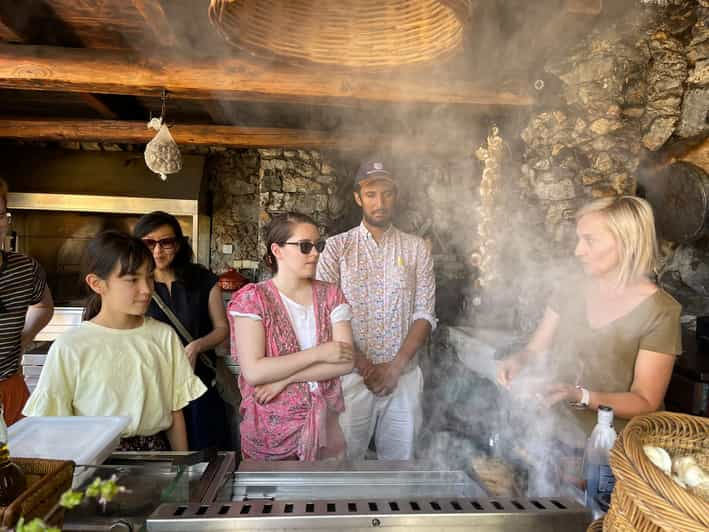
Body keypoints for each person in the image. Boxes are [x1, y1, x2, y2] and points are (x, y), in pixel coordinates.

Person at [497, 195, 681, 439]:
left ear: (627, 243)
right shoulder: (570, 288)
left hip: (617, 447)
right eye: (578, 239)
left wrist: (582, 396)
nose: (578, 251)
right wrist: (519, 361)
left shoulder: (661, 311)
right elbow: (536, 349)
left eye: (590, 241)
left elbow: (645, 399)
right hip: (558, 435)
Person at [23, 231, 206, 451]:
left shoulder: (163, 336)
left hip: (155, 458)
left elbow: (175, 411)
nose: (146, 289)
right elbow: (53, 427)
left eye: (149, 276)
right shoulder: (71, 346)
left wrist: (181, 467)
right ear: (97, 283)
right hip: (90, 458)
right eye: (132, 280)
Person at [316, 160, 437, 460]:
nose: (379, 202)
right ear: (358, 197)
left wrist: (395, 367)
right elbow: (324, 316)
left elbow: (424, 313)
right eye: (371, 194)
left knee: (400, 464)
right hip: (351, 376)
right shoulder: (336, 248)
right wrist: (366, 367)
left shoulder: (416, 249)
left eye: (386, 193)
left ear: (396, 196)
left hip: (404, 376)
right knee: (343, 463)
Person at [228, 212, 354, 461]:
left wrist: (285, 379)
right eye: (305, 246)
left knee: (324, 500)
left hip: (326, 431)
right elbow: (254, 371)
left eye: (319, 245)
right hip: (270, 437)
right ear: (278, 250)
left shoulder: (332, 295)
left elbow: (345, 362)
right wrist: (320, 353)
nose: (316, 253)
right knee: (271, 501)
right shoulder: (253, 299)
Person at [133, 211, 229, 451]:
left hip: (199, 385)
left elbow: (221, 328)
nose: (157, 251)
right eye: (149, 243)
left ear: (178, 243)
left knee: (205, 455)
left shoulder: (203, 279)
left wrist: (197, 346)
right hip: (155, 389)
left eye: (166, 242)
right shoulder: (133, 285)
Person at [0, 177, 54, 426]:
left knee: (22, 462)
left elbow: (43, 306)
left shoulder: (25, 269)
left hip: (11, 391)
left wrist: (21, 340)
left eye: (0, 216)